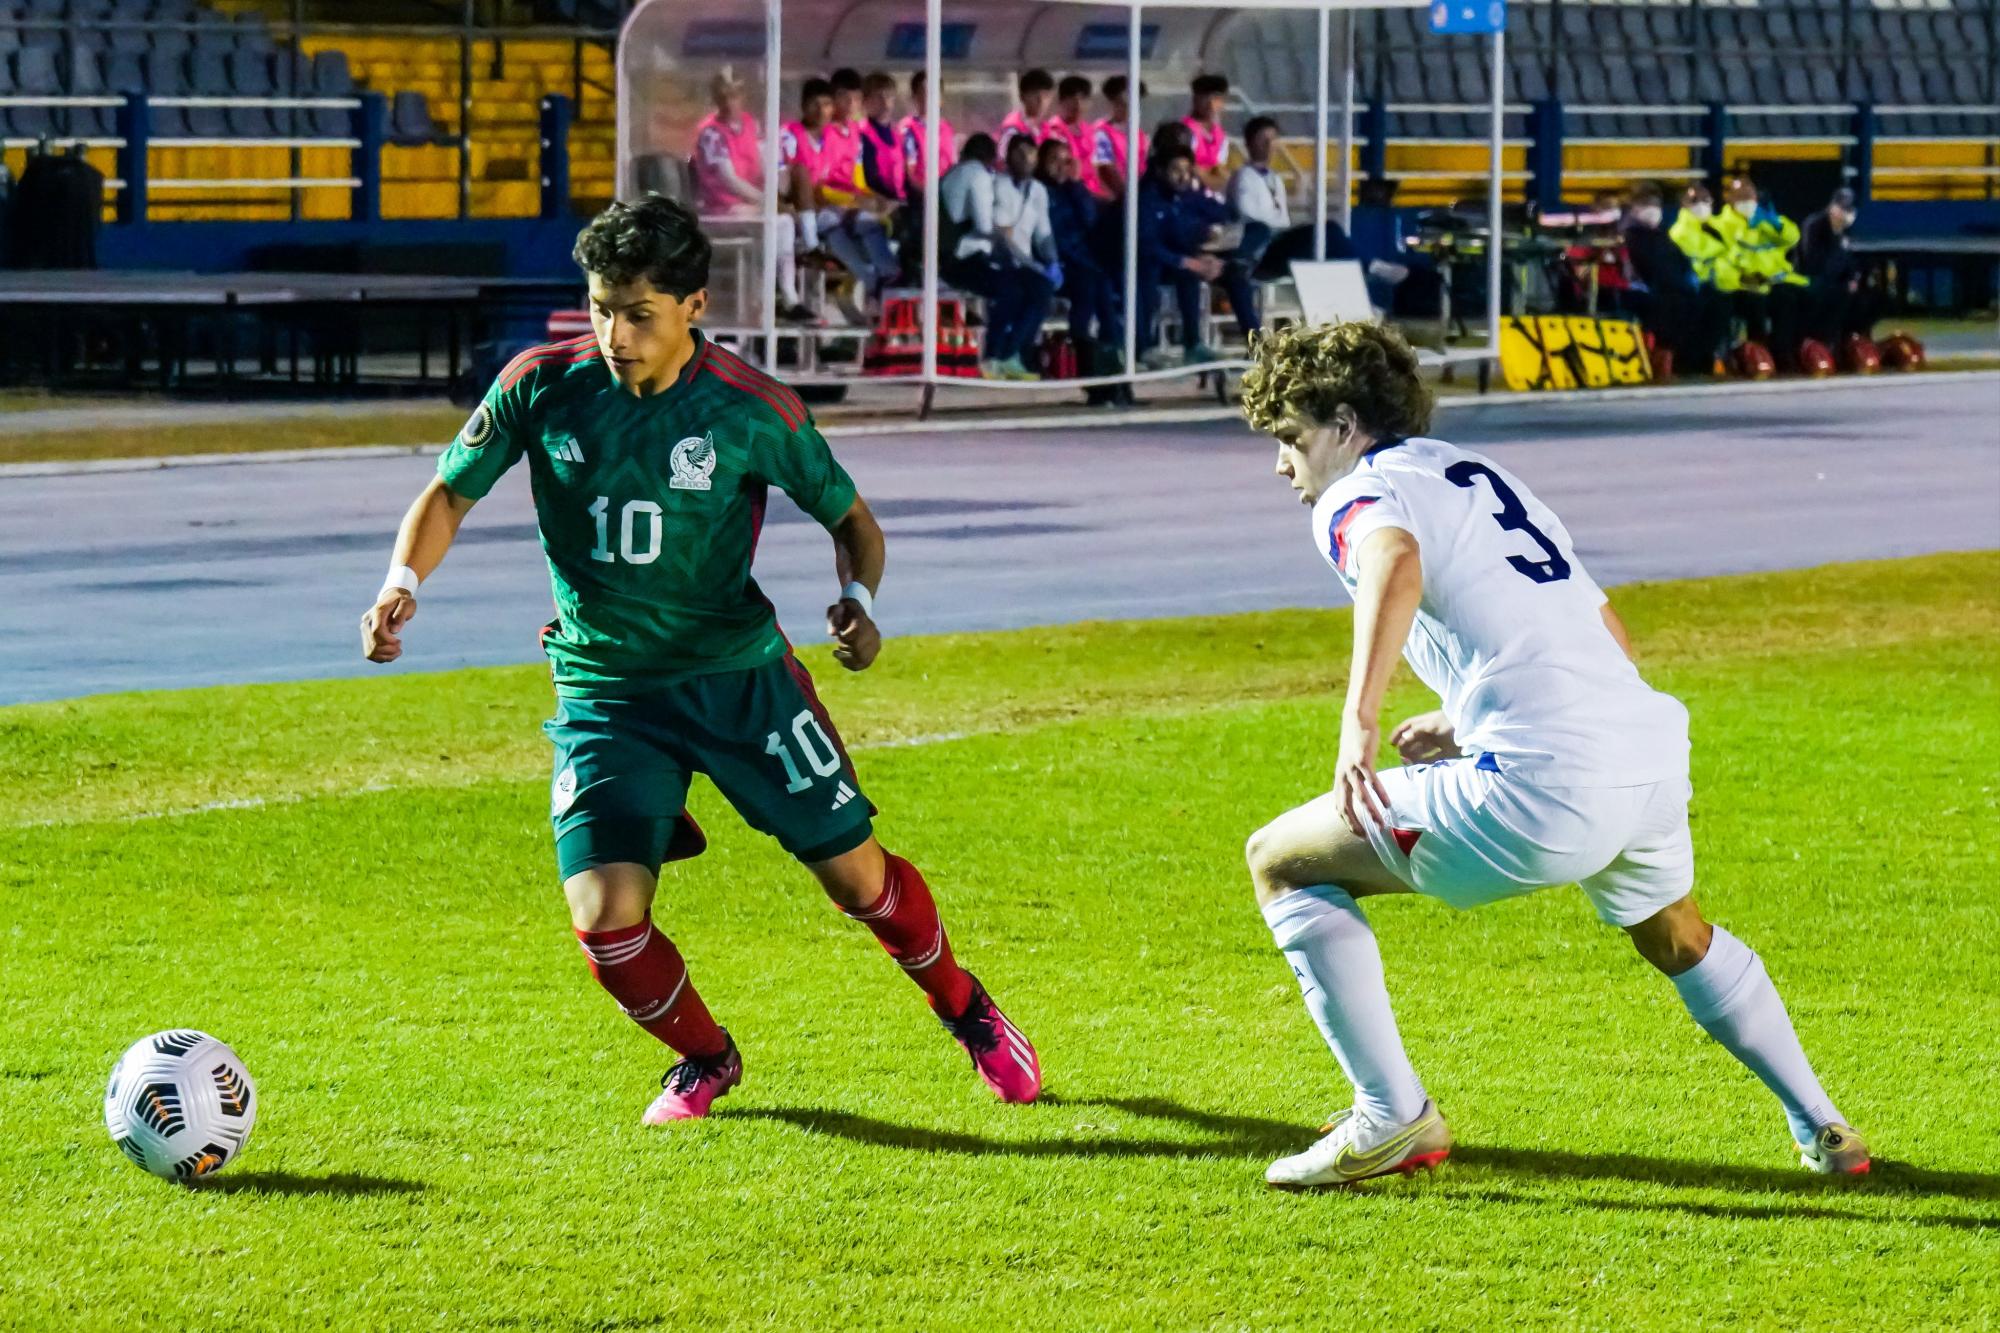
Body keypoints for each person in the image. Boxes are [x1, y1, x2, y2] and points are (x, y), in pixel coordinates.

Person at [359, 196, 1041, 1124]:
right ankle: (707, 1056)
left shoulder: (751, 409)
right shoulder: (540, 384)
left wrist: (861, 603)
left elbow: (853, 522)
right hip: (607, 691)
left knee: (859, 882)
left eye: (638, 312)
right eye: (600, 306)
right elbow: (449, 491)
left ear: (692, 305)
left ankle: (965, 1008)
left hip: (739, 681)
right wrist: (403, 579)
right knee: (604, 919)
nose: (614, 332)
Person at [1235, 320, 1866, 1188]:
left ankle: (1391, 1118)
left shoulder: (1360, 494)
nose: (1283, 466)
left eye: (1290, 438)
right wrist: (1465, 721)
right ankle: (1824, 1125)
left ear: (1344, 425)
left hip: (1540, 785)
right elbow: (1603, 630)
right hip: (1643, 751)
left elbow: (1394, 559)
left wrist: (1360, 724)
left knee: (1280, 861)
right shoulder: (1480, 476)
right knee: (1678, 934)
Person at [691, 68, 812, 323]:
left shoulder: (750, 124)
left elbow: (762, 162)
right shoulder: (711, 133)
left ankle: (787, 296)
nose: (729, 101)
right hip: (721, 209)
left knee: (785, 222)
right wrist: (766, 201)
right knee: (775, 223)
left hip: (751, 204)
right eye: (723, 96)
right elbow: (729, 180)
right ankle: (763, 300)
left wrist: (776, 191)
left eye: (734, 95)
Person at [940, 134, 1052, 380]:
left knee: (1040, 288)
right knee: (1011, 289)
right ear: (994, 158)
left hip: (988, 256)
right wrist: (1002, 234)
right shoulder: (981, 177)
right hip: (968, 257)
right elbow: (984, 225)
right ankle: (995, 355)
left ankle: (1012, 354)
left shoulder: (956, 173)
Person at [1136, 144, 1257, 366]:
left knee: (1235, 273)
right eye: (1176, 170)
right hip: (1162, 265)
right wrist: (1189, 262)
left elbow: (1226, 213)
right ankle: (1191, 344)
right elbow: (1148, 246)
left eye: (1187, 170)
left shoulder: (1190, 196)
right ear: (1161, 171)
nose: (1183, 177)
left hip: (1195, 257)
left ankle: (1257, 345)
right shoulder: (1147, 200)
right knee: (1182, 274)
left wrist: (1208, 239)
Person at [782, 78, 898, 309]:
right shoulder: (791, 134)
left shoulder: (833, 136)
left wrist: (872, 198)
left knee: (863, 223)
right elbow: (800, 182)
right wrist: (853, 200)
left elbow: (853, 180)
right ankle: (872, 278)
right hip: (796, 205)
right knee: (838, 220)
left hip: (826, 206)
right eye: (846, 98)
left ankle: (885, 277)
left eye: (825, 104)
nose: (822, 110)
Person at [1037, 135, 1127, 404]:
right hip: (1056, 264)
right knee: (1090, 289)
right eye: (1054, 160)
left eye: (1066, 161)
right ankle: (1090, 366)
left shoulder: (1073, 191)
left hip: (1084, 265)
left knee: (1105, 296)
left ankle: (1114, 377)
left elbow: (1090, 221)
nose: (1060, 166)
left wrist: (1076, 184)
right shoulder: (1040, 191)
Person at [1620, 181, 1731, 377]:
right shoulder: (1632, 236)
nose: (1653, 210)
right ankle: (1676, 360)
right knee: (1679, 305)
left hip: (1676, 287)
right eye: (1646, 205)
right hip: (1646, 291)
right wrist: (1679, 284)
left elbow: (1680, 262)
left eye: (1655, 205)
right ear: (1634, 208)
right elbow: (1648, 270)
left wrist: (1688, 281)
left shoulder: (1661, 234)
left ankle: (1700, 360)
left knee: (1716, 303)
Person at [1712, 177, 1810, 369]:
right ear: (1731, 202)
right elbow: (1723, 262)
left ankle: (1785, 351)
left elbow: (1792, 237)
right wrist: (1745, 278)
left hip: (1771, 281)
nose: (1746, 204)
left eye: (1749, 199)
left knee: (1792, 298)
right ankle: (1755, 351)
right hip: (1741, 285)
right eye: (1741, 200)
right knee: (1755, 301)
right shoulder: (1721, 225)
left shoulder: (1765, 221)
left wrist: (1777, 225)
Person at [1795, 187, 1882, 348]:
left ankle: (1853, 338)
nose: (1845, 213)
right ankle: (1825, 341)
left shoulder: (1844, 233)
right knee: (1838, 294)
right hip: (1812, 282)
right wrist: (1837, 242)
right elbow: (1814, 264)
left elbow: (1850, 264)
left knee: (1874, 299)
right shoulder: (1814, 225)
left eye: (1848, 209)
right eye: (1842, 208)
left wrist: (1853, 278)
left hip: (1836, 282)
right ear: (1832, 207)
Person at [1226, 114, 1287, 271]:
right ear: (1249, 144)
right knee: (1261, 230)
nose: (1268, 144)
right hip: (1260, 242)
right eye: (1263, 139)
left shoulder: (1276, 178)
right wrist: (1275, 224)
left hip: (1277, 237)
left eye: (1272, 139)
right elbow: (1247, 214)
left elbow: (1284, 216)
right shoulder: (1243, 176)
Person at [897, 70, 957, 197]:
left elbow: (952, 164)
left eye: (935, 93)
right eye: (923, 93)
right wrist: (932, 197)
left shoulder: (947, 128)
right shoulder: (908, 129)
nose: (929, 98)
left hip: (946, 194)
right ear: (914, 97)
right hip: (920, 198)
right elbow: (910, 176)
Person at [1092, 74, 1149, 199]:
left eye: (1134, 103)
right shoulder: (1101, 133)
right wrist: (1128, 198)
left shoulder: (1140, 134)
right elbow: (1106, 171)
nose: (1129, 108)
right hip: (1114, 200)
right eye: (1123, 103)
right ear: (1112, 103)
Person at [855, 71, 906, 203]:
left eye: (889, 96)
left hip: (900, 201)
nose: (885, 102)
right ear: (865, 101)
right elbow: (869, 178)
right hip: (877, 202)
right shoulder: (861, 134)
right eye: (878, 97)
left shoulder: (898, 135)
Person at [1050, 75, 1102, 199]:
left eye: (1083, 99)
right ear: (1061, 101)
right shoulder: (1052, 131)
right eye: (1072, 99)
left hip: (1094, 194)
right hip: (1067, 196)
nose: (1078, 104)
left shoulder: (1091, 131)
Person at [1182, 72, 1234, 191]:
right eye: (1206, 97)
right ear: (1195, 99)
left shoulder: (1221, 136)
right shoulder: (1184, 131)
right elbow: (1188, 171)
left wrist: (1207, 175)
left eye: (1216, 98)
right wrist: (1211, 177)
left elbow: (1221, 173)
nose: (1211, 104)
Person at [998, 68, 1059, 159]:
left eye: (1046, 96)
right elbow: (1002, 159)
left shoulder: (1051, 128)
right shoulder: (1012, 129)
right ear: (1022, 97)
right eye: (1035, 95)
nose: (1041, 101)